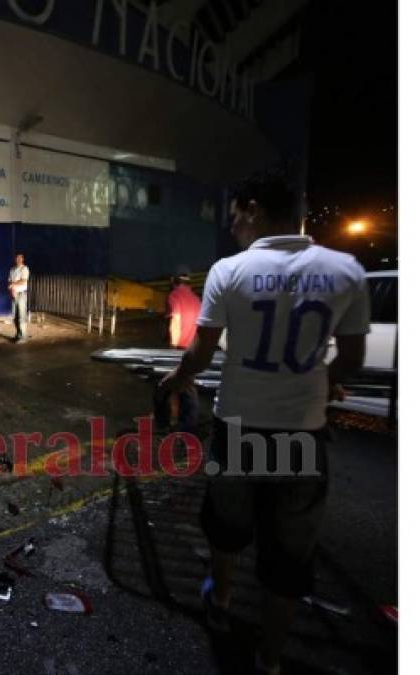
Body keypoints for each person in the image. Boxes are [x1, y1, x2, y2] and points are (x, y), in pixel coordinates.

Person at [158, 173, 369, 675]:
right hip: (303, 434)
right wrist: (326, 382)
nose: (230, 224)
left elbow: (201, 351)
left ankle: (223, 598)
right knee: (288, 557)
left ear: (252, 208)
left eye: (233, 213)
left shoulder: (230, 271)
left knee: (227, 526)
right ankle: (270, 659)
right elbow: (353, 358)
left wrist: (177, 380)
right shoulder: (346, 270)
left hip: (240, 430)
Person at [153, 266, 201, 433]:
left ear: (173, 280)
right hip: (193, 348)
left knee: (164, 386)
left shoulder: (174, 296)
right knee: (187, 385)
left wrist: (172, 347)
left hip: (178, 348)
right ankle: (188, 423)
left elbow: (175, 321)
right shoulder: (196, 299)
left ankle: (163, 423)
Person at [8, 252, 30, 341]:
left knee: (22, 315)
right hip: (14, 294)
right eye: (17, 258)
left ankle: (23, 336)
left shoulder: (24, 269)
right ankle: (18, 334)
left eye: (20, 258)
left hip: (21, 294)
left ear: (22, 259)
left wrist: (13, 284)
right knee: (15, 316)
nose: (18, 259)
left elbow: (24, 281)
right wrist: (12, 289)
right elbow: (9, 281)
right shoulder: (12, 269)